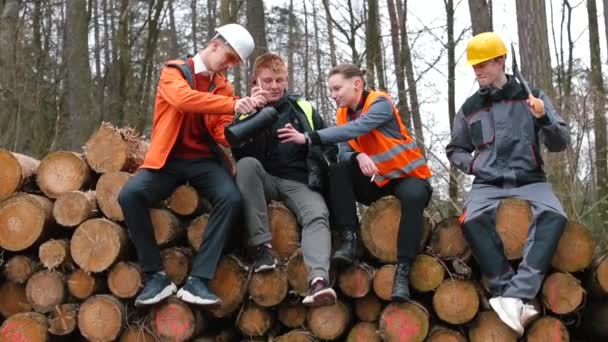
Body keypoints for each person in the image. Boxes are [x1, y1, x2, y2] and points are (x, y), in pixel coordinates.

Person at [118, 23, 266, 307]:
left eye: (236, 62)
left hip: (203, 161)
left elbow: (223, 133)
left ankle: (198, 280)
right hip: (168, 159)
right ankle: (154, 277)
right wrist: (232, 105)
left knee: (231, 198)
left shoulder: (224, 87)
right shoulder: (174, 71)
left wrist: (248, 118)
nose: (230, 65)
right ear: (214, 44)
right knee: (129, 195)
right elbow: (183, 101)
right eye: (230, 57)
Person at [445, 32, 570, 336]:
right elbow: (455, 150)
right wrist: (475, 165)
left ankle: (515, 295)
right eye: (474, 67)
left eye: (483, 65)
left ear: (501, 60)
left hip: (530, 180)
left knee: (555, 215)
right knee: (471, 219)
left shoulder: (532, 96)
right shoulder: (470, 106)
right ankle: (507, 291)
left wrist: (543, 118)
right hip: (488, 183)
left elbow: (560, 143)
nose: (477, 72)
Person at [278, 63, 433, 302]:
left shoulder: (380, 103)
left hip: (408, 177)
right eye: (330, 90)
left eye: (337, 88)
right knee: (339, 169)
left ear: (357, 84)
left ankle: (403, 270)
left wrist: (308, 137)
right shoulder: (342, 113)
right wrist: (357, 155)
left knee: (413, 196)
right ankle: (349, 239)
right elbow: (343, 148)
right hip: (376, 181)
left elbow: (358, 128)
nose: (333, 95)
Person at [231, 53, 337, 306]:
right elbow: (238, 151)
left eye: (279, 80)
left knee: (317, 213)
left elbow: (327, 144)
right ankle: (262, 250)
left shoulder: (303, 108)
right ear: (255, 82)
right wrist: (255, 113)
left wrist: (305, 139)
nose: (274, 86)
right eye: (268, 80)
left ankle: (318, 281)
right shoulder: (245, 109)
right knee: (245, 166)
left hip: (298, 180)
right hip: (263, 179)